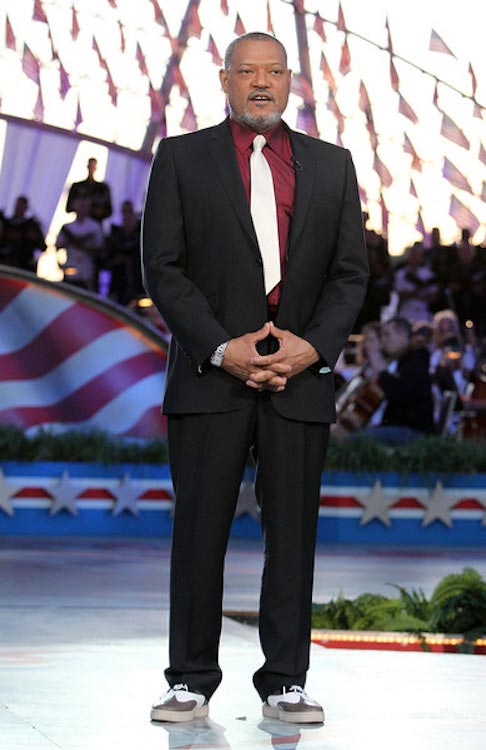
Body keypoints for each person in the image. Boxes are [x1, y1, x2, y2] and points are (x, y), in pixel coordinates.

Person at [141, 32, 368, 725]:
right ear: (225, 79)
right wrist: (220, 348)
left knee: (293, 535)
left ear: (290, 82)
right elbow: (164, 268)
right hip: (211, 378)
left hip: (299, 379)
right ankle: (189, 680)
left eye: (273, 72)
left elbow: (350, 273)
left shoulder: (333, 166)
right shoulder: (181, 158)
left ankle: (285, 681)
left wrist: (310, 349)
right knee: (200, 532)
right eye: (247, 72)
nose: (260, 83)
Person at [359, 316, 435, 444]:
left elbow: (397, 392)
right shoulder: (405, 360)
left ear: (404, 336)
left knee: (353, 442)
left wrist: (377, 360)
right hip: (401, 428)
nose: (383, 341)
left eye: (387, 335)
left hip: (412, 432)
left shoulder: (417, 358)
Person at [56, 195, 105, 291]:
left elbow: (99, 248)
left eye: (84, 205)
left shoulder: (94, 227)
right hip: (70, 268)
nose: (81, 208)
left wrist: (85, 246)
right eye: (79, 205)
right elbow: (58, 245)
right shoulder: (67, 227)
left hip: (87, 272)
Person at [105, 200, 143, 305]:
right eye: (124, 212)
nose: (127, 216)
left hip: (138, 283)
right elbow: (107, 260)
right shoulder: (115, 237)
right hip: (119, 285)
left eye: (129, 212)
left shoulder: (141, 236)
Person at [0, 195, 45, 271]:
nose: (20, 208)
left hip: (23, 266)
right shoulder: (5, 224)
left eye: (22, 206)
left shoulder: (31, 226)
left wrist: (34, 238)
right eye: (18, 206)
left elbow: (43, 247)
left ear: (26, 208)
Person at [66, 157, 112, 223]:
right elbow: (69, 207)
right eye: (90, 166)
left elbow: (108, 210)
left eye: (93, 166)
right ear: (87, 166)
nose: (91, 168)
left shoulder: (102, 188)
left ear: (95, 168)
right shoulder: (77, 186)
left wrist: (95, 210)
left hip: (95, 223)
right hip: (80, 224)